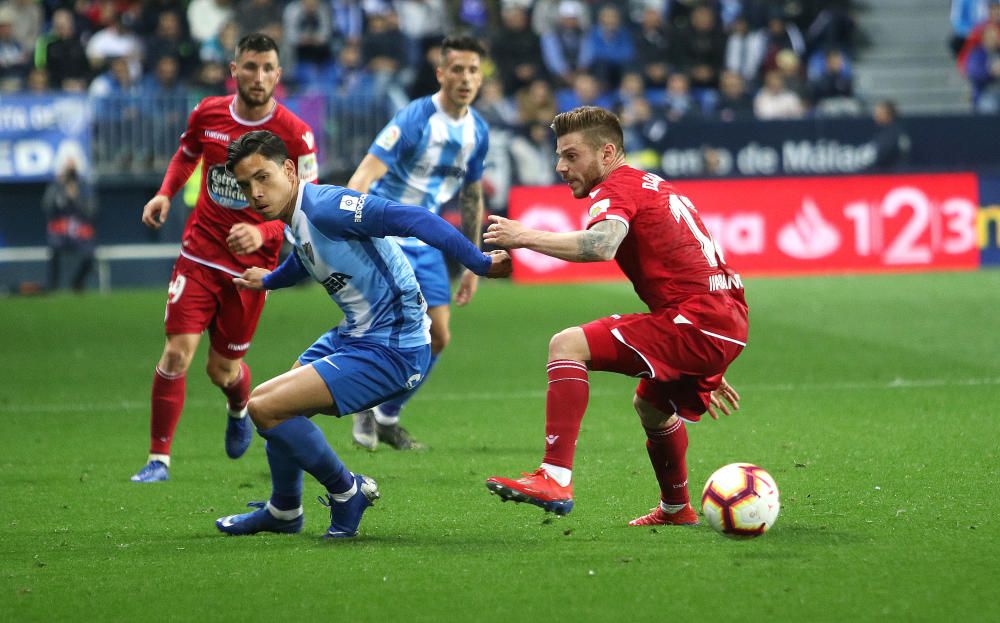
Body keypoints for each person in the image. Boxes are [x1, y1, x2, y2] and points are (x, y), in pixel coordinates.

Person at [215, 130, 511, 537]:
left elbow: (413, 218)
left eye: (263, 177)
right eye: (246, 185)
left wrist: (477, 262)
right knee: (279, 403)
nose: (256, 192)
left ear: (288, 169)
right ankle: (284, 511)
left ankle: (346, 491)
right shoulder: (296, 216)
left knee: (265, 408)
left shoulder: (327, 206)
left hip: (395, 346)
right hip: (356, 333)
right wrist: (268, 281)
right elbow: (306, 258)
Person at [483, 106, 747, 526]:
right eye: (559, 156)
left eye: (571, 156)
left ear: (607, 153)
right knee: (652, 407)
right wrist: (710, 350)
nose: (560, 166)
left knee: (566, 344)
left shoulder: (617, 186)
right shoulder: (649, 181)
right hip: (720, 319)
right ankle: (677, 509)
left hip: (700, 321)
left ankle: (554, 476)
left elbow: (602, 244)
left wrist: (523, 236)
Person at [130, 33, 319, 483]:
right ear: (234, 70)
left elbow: (307, 205)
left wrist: (263, 230)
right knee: (177, 353)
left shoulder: (296, 134)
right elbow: (187, 154)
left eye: (267, 67)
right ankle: (159, 459)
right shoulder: (208, 113)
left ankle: (238, 406)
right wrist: (164, 193)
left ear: (278, 73)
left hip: (252, 271)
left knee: (222, 369)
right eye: (249, 66)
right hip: (199, 253)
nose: (258, 76)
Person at [345, 35, 489, 451]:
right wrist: (357, 222)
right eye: (457, 69)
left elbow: (471, 196)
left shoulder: (477, 130)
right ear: (441, 73)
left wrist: (471, 264)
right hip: (386, 232)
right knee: (385, 331)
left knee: (439, 336)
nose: (465, 78)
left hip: (424, 240)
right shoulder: (416, 118)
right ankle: (361, 404)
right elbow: (365, 174)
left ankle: (386, 415)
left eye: (473, 70)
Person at [42, 160, 96, 292]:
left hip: (80, 232)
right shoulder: (56, 187)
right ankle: (53, 286)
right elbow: (47, 208)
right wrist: (63, 197)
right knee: (54, 251)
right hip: (61, 233)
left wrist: (76, 198)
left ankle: (77, 283)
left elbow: (92, 211)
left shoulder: (84, 188)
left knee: (90, 255)